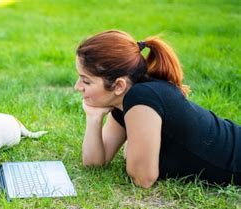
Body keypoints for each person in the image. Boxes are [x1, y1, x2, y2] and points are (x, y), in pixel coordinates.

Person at [75, 30, 240, 188]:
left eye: (86, 81)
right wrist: (93, 118)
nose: (77, 86)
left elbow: (142, 178)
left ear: (119, 85)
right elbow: (94, 165)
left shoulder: (142, 98)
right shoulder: (126, 98)